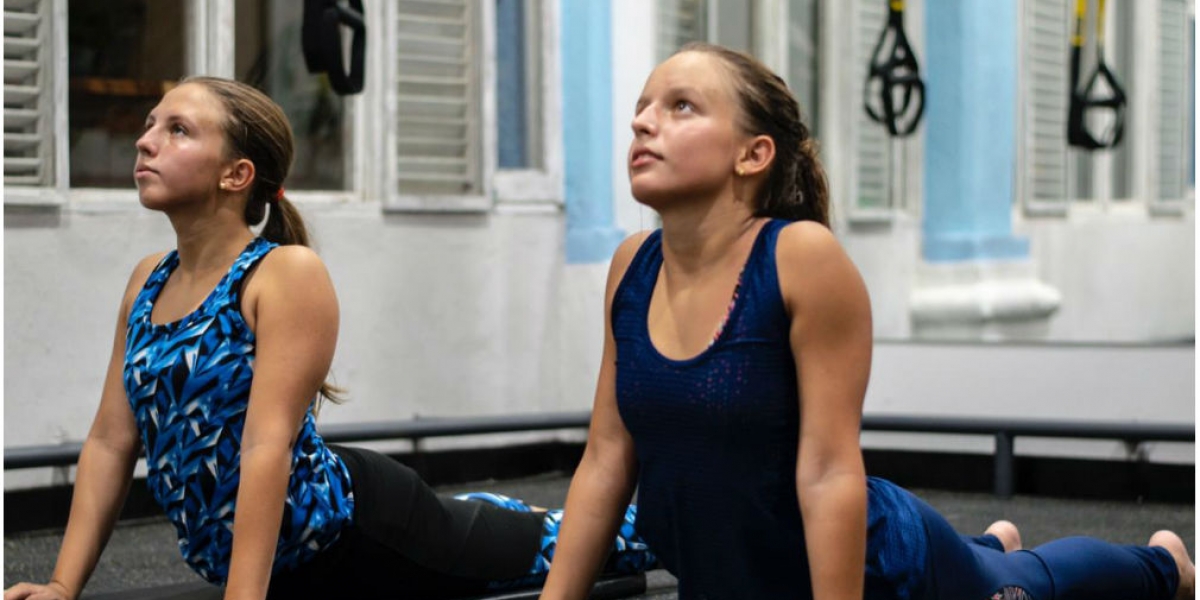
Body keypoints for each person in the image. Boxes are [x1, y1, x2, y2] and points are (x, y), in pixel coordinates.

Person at [537, 43, 1195, 600]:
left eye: (681, 106)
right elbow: (606, 458)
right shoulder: (632, 265)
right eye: (642, 110)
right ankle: (989, 539)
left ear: (753, 154)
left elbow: (828, 472)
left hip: (871, 567)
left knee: (1015, 583)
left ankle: (1163, 565)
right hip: (733, 573)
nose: (645, 124)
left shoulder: (799, 258)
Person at [3, 77, 654, 600]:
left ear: (236, 174)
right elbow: (111, 440)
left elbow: (267, 445)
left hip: (361, 535)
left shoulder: (281, 274)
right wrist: (63, 586)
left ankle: (686, 517)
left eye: (177, 130)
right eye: (150, 125)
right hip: (273, 560)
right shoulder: (148, 280)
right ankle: (487, 510)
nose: (146, 142)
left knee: (598, 543)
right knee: (496, 519)